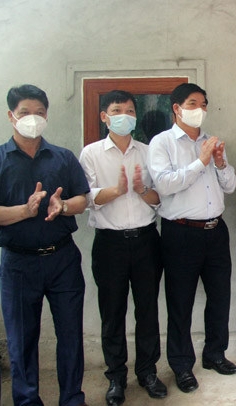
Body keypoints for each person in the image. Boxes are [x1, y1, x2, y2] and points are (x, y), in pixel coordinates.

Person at [0, 84, 89, 405]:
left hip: (62, 259)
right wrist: (24, 211)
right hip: (18, 264)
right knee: (21, 340)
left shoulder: (62, 157)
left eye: (39, 113)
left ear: (47, 116)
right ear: (11, 116)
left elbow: (82, 198)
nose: (33, 119)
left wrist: (62, 206)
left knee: (70, 335)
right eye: (25, 113)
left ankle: (72, 399)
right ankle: (26, 401)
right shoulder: (0, 159)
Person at [148, 83, 236, 393]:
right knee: (180, 302)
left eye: (203, 104)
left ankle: (215, 354)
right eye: (192, 103)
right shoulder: (162, 143)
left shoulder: (210, 142)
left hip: (216, 231)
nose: (199, 109)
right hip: (181, 233)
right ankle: (182, 365)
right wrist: (200, 161)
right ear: (177, 108)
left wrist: (219, 161)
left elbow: (229, 186)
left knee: (219, 298)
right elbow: (164, 185)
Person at [79, 90, 166, 405]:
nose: (124, 116)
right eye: (117, 110)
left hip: (146, 241)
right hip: (110, 244)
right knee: (112, 313)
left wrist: (142, 190)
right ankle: (116, 378)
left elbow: (160, 197)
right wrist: (114, 191)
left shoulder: (147, 151)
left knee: (147, 311)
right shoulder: (91, 153)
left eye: (130, 110)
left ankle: (147, 372)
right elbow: (85, 197)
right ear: (104, 116)